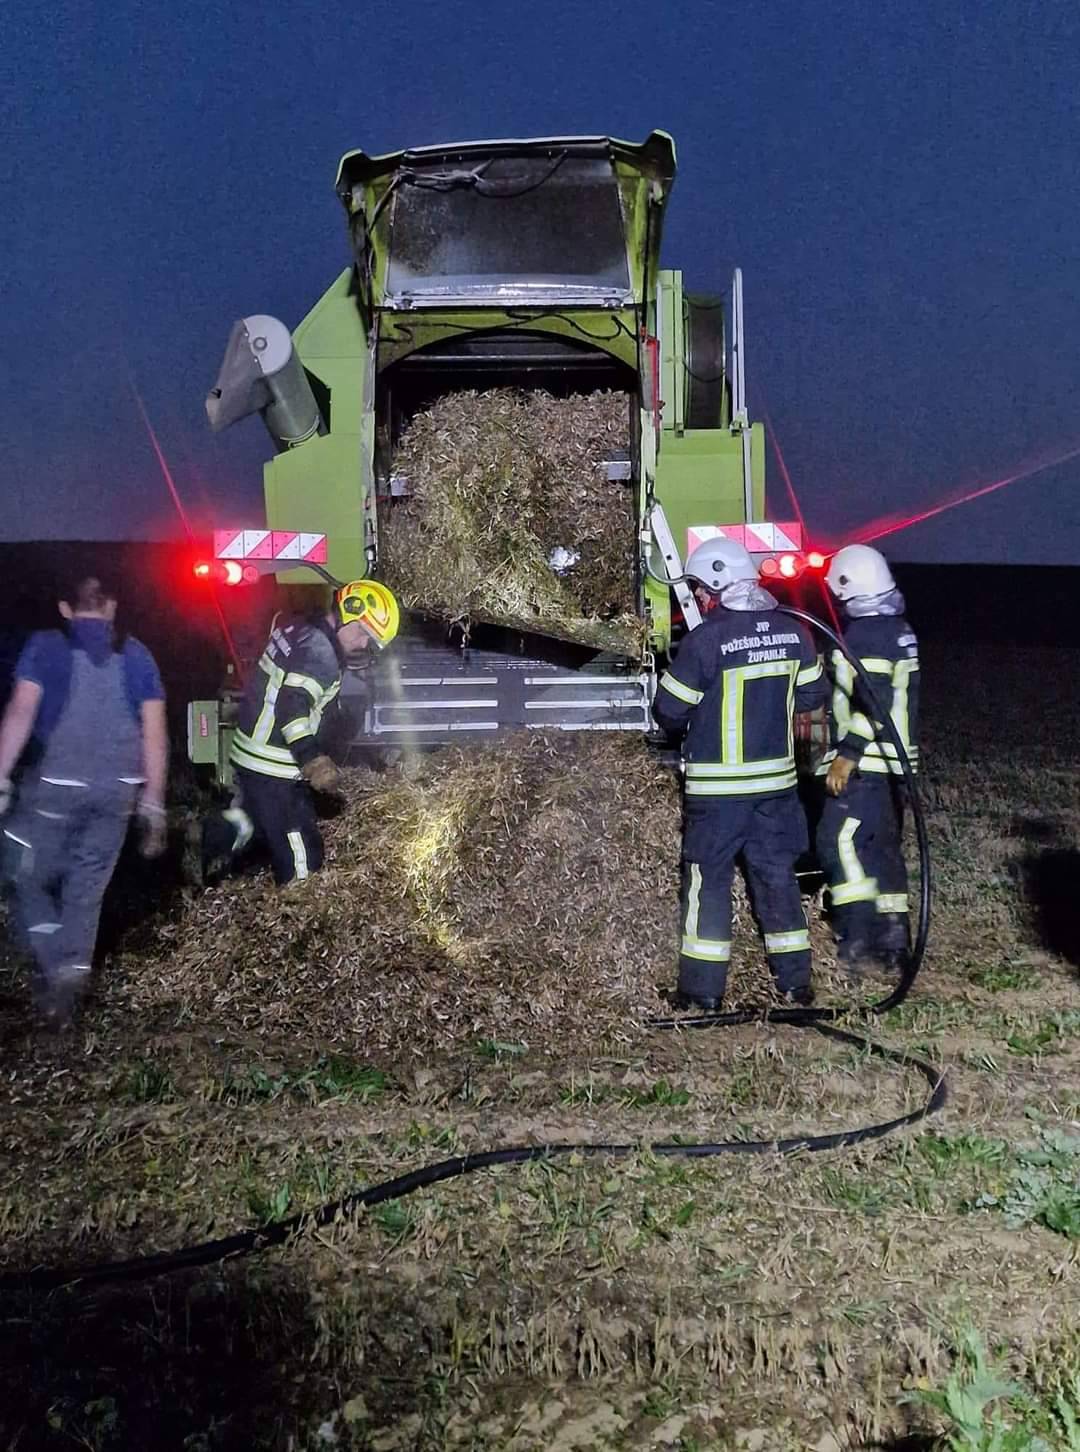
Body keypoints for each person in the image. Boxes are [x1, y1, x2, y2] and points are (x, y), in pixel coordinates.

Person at [653, 539, 828, 1011]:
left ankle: (701, 993)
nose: (698, 599)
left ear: (714, 585)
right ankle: (796, 985)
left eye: (697, 589)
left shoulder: (706, 641)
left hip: (719, 796)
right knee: (777, 881)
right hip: (777, 791)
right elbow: (812, 698)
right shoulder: (795, 633)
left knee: (707, 884)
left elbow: (668, 711)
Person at [0, 574, 168, 1026]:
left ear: (65, 608)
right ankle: (72, 977)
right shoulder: (137, 654)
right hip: (117, 793)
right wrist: (153, 801)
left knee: (25, 875)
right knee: (86, 890)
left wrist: (0, 778)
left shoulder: (45, 647)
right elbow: (154, 732)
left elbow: (20, 713)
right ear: (111, 606)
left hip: (56, 787)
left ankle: (55, 963)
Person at [201, 579, 400, 885]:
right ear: (348, 613)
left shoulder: (300, 628)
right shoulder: (321, 655)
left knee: (258, 820)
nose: (362, 644)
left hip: (251, 754)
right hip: (275, 763)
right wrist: (314, 760)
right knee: (302, 850)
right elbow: (292, 712)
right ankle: (298, 911)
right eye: (363, 633)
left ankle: (217, 832)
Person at [816, 544, 920, 973]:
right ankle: (894, 941)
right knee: (881, 851)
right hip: (894, 765)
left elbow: (873, 702)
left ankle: (857, 936)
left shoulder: (866, 636)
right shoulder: (897, 629)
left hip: (867, 763)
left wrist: (846, 756)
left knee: (837, 842)